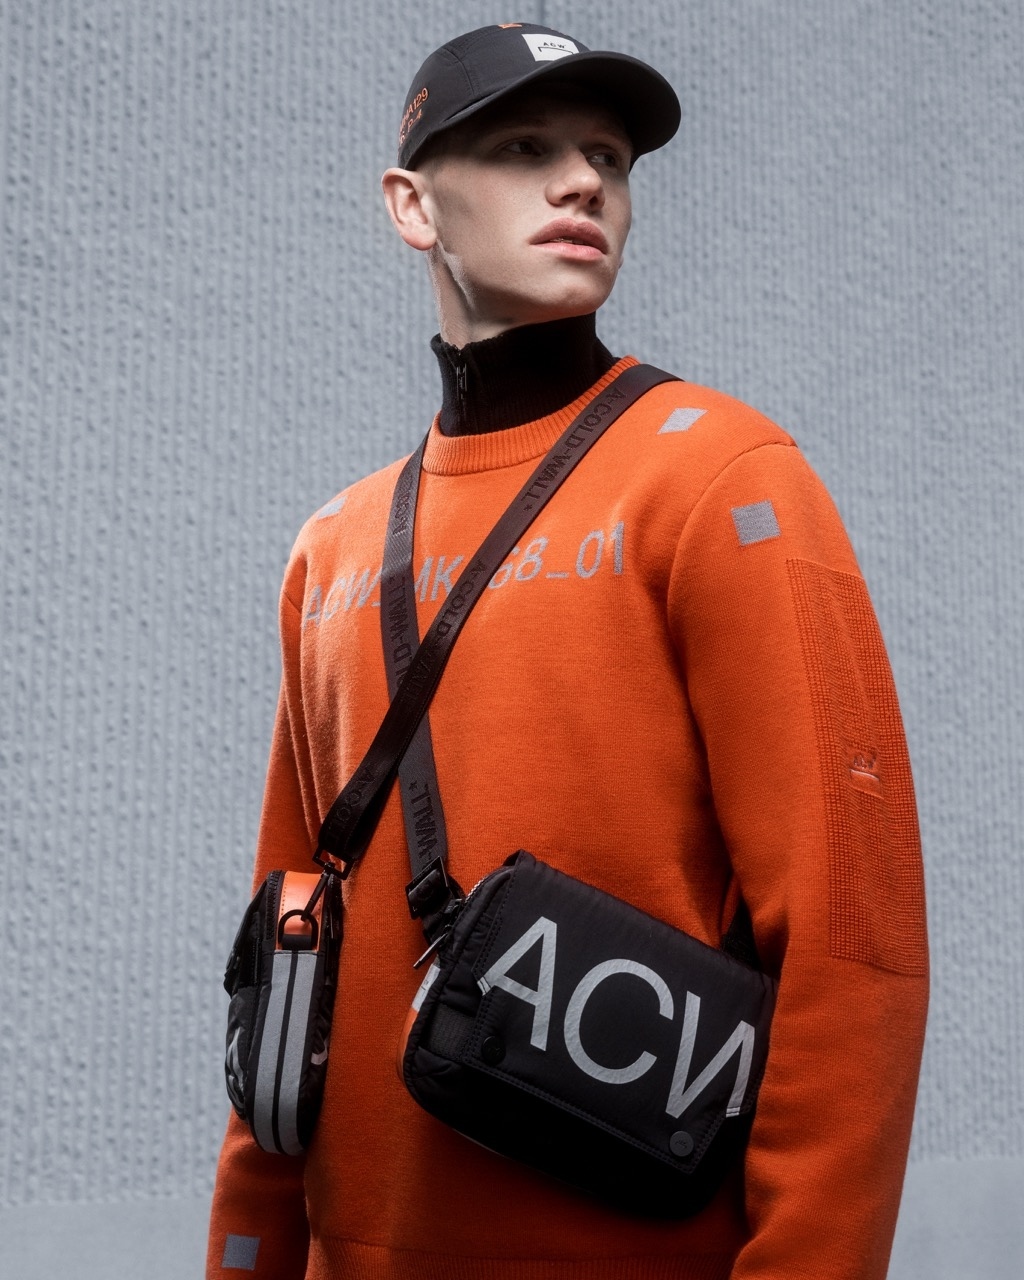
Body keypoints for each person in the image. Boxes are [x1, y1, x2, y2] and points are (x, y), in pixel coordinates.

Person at [207, 22, 928, 1280]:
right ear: (412, 206)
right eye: (524, 149)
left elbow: (849, 940)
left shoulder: (724, 479)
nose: (583, 181)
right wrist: (247, 1249)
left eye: (608, 156)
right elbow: (290, 943)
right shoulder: (333, 546)